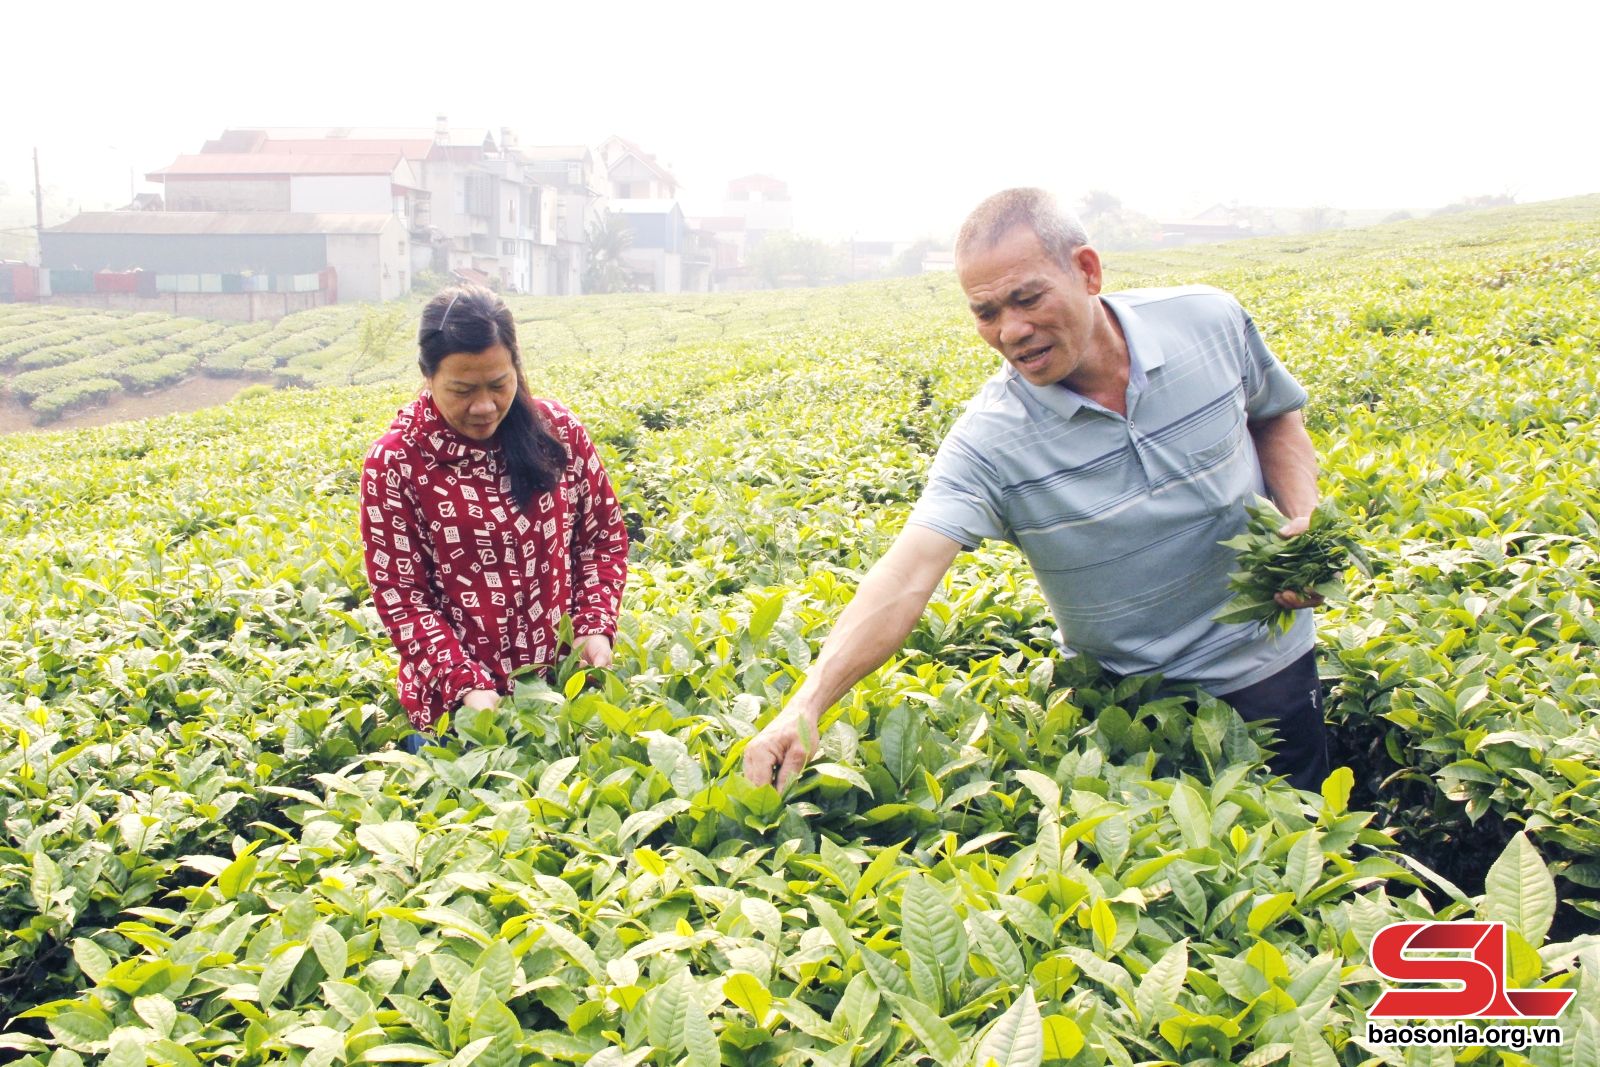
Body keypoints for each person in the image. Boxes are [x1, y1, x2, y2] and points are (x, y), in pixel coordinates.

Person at [743, 188, 1329, 791]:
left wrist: (1299, 520)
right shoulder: (989, 440)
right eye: (986, 312)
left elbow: (1274, 415)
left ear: (1087, 270)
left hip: (1269, 669)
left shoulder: (1208, 320)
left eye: (1027, 298)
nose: (1012, 331)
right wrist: (805, 705)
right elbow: (905, 576)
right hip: (1126, 711)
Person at [360, 285, 628, 745]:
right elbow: (402, 594)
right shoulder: (397, 462)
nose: (484, 406)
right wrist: (464, 684)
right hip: (458, 715)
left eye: (499, 385)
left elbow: (600, 538)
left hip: (561, 696)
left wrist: (593, 626)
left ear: (516, 368)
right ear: (428, 375)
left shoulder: (557, 431)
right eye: (462, 390)